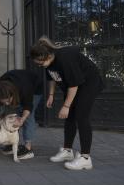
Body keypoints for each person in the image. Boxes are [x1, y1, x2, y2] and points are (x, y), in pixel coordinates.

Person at [30, 36, 104, 170]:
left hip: (89, 83)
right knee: (70, 117)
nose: (39, 65)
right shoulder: (48, 63)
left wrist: (66, 106)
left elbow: (74, 85)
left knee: (81, 117)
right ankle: (68, 151)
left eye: (40, 63)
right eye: (37, 63)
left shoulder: (65, 58)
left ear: (47, 55)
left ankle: (85, 158)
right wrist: (51, 95)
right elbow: (51, 77)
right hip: (73, 84)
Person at [0, 69, 43, 159]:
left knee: (28, 116)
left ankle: (28, 148)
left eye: (8, 101)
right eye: (4, 102)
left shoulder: (24, 88)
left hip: (35, 87)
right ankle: (12, 143)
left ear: (13, 95)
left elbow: (28, 106)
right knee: (11, 114)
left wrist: (22, 119)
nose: (6, 104)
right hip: (17, 85)